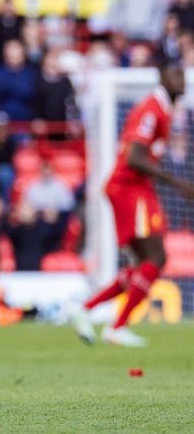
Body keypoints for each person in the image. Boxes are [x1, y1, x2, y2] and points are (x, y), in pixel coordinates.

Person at [68, 60, 194, 347]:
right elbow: (134, 158)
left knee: (144, 264)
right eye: (175, 74)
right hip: (129, 188)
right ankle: (116, 325)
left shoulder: (163, 111)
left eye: (183, 75)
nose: (183, 81)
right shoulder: (151, 109)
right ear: (161, 77)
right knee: (157, 258)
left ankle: (85, 310)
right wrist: (178, 183)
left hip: (135, 188)